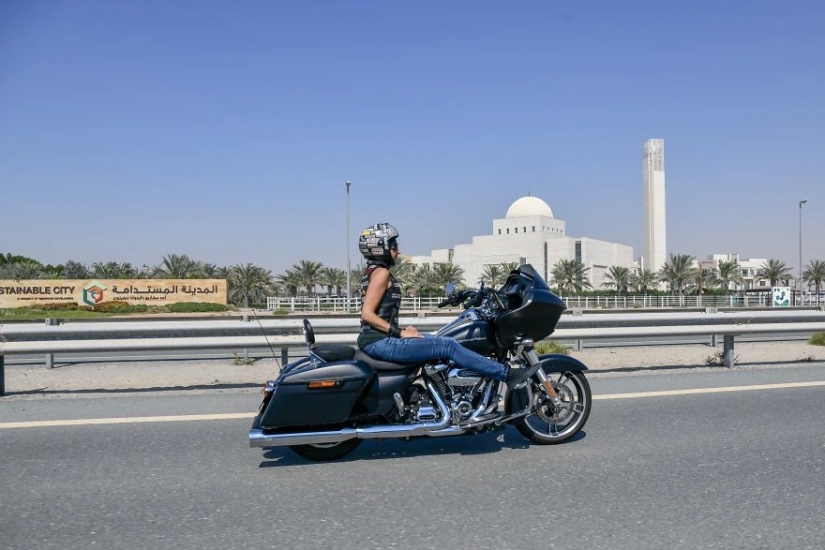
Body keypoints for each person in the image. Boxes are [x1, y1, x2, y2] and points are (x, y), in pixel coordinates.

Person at [356, 222, 540, 390]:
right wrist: (399, 333)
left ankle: (449, 391)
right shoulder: (381, 273)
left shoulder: (374, 272)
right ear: (381, 248)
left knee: (435, 338)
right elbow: (367, 314)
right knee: (448, 346)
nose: (398, 250)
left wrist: (403, 329)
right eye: (394, 245)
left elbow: (380, 312)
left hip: (381, 340)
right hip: (381, 342)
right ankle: (507, 375)